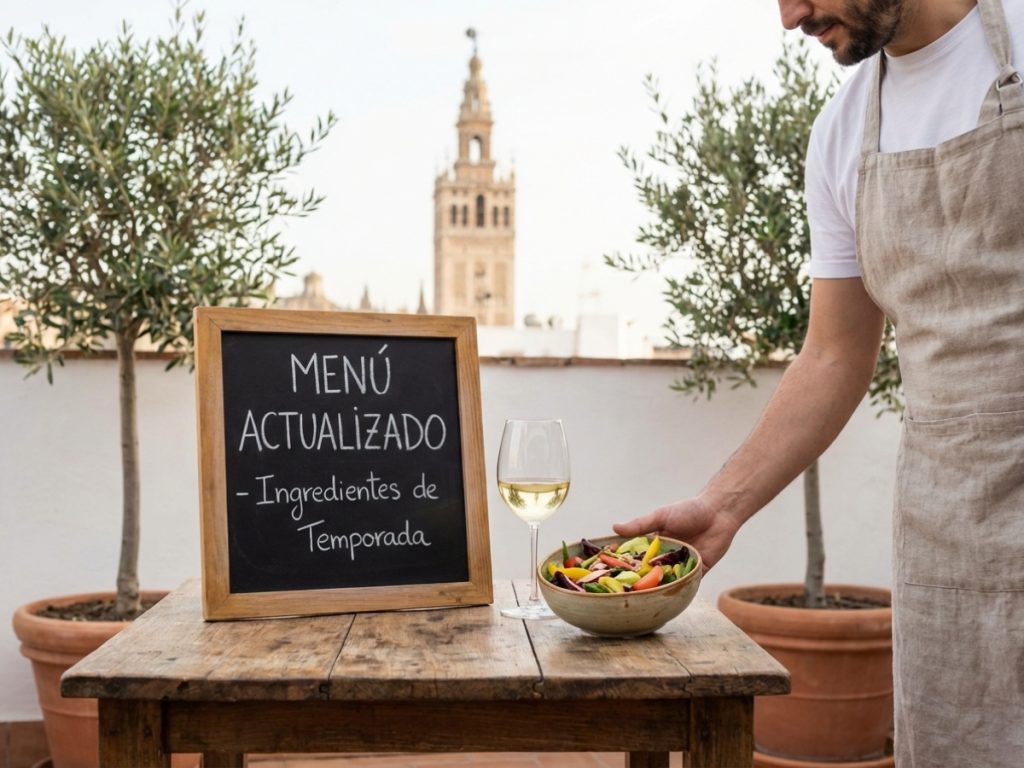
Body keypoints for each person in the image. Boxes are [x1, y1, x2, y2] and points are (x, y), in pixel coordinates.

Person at [614, 0, 1024, 765]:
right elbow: (834, 354)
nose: (791, 16)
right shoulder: (841, 133)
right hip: (945, 530)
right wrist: (723, 506)